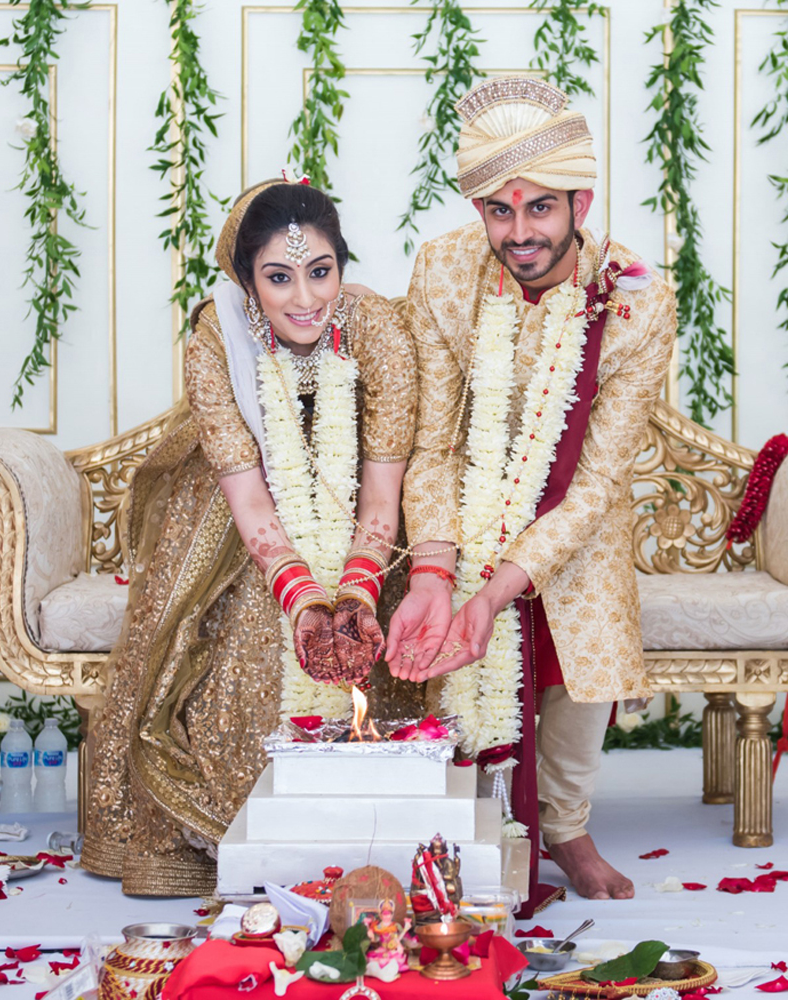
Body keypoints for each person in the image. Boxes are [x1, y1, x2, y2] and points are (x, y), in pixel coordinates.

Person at [81, 177, 421, 896]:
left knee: (374, 628)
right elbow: (248, 497)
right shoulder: (217, 337)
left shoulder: (380, 332)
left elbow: (384, 490)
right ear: (245, 281)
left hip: (360, 512)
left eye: (320, 271)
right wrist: (302, 602)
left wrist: (354, 590)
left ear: (341, 267)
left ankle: (360, 816)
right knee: (236, 623)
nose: (305, 297)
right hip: (239, 509)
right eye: (278, 277)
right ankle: (232, 817)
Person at [386, 75, 678, 905]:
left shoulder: (637, 300)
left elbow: (599, 482)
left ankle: (568, 827)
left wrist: (503, 588)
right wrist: (443, 573)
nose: (519, 233)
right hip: (467, 512)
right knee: (458, 655)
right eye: (499, 212)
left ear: (580, 202)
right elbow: (432, 443)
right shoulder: (444, 270)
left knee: (578, 665)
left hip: (577, 518)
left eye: (540, 209)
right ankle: (470, 832)